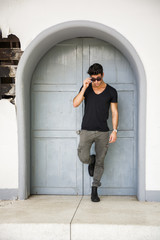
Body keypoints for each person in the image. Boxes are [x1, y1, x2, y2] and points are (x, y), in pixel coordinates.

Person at [73, 63, 119, 202]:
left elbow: (114, 112)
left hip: (103, 132)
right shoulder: (86, 88)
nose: (96, 82)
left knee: (100, 161)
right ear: (90, 78)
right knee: (83, 157)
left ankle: (94, 189)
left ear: (103, 75)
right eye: (93, 79)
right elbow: (75, 103)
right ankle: (90, 160)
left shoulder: (111, 91)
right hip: (86, 130)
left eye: (98, 78)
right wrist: (85, 88)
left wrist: (115, 130)